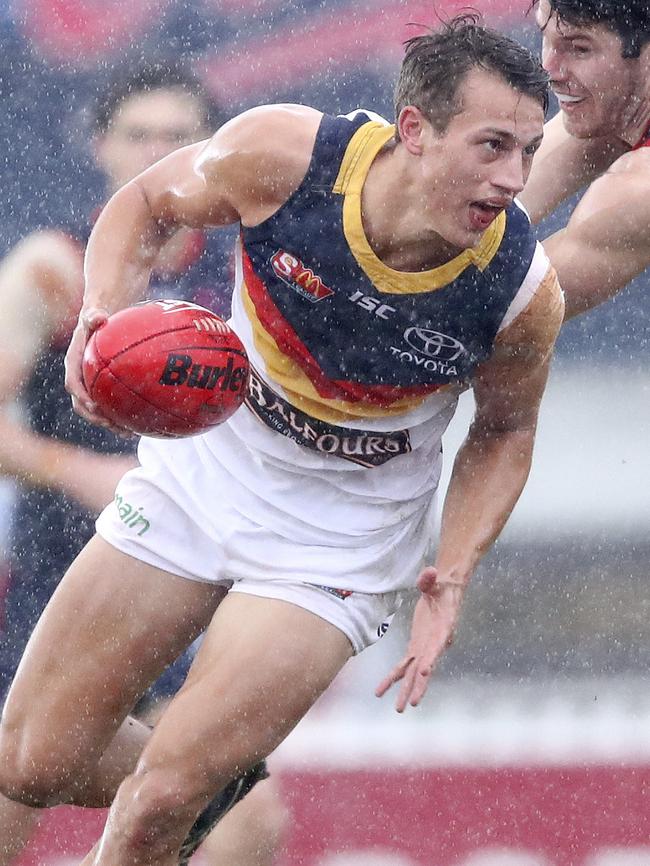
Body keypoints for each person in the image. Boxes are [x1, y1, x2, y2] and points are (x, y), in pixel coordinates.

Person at [0, 15, 564, 866]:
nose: (513, 178)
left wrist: (452, 571)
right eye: (491, 147)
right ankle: (211, 775)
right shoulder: (289, 156)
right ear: (414, 131)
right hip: (201, 480)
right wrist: (103, 318)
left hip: (335, 544)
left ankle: (187, 780)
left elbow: (507, 429)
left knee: (156, 807)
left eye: (527, 151)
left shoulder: (518, 288)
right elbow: (149, 200)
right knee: (28, 763)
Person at [0, 61, 284, 865]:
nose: (158, 151)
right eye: (139, 135)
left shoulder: (249, 276)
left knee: (243, 824)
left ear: (215, 152)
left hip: (186, 577)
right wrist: (78, 472)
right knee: (16, 799)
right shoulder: (54, 268)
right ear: (100, 146)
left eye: (179, 136)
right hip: (62, 577)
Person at [519, 0, 650, 315]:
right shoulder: (615, 104)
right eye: (545, 38)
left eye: (578, 49)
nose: (548, 71)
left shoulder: (641, 189)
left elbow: (500, 315)